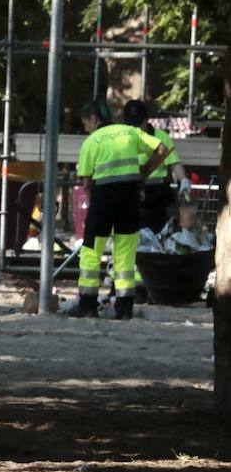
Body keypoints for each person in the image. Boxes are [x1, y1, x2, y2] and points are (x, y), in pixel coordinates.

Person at [72, 100, 169, 320]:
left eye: (85, 122)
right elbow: (162, 149)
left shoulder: (92, 141)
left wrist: (92, 210)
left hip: (103, 198)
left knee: (91, 250)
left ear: (94, 119)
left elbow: (87, 183)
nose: (85, 127)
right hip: (129, 198)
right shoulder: (131, 132)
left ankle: (87, 304)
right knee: (125, 252)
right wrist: (143, 173)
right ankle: (124, 308)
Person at [121, 99, 188, 232]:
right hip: (131, 190)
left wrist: (183, 179)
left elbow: (173, 162)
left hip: (156, 192)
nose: (136, 128)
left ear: (146, 119)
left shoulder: (160, 136)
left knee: (157, 229)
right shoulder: (122, 137)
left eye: (138, 123)